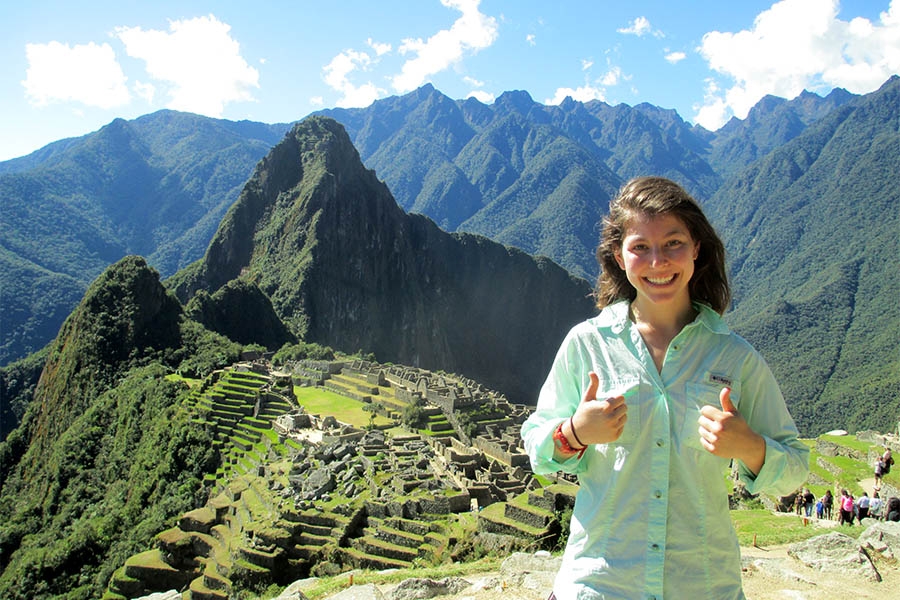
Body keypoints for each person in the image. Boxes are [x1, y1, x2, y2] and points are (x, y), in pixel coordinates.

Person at [521, 177, 809, 600]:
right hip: (600, 583)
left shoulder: (735, 358)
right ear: (619, 257)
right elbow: (536, 448)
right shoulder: (588, 345)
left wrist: (749, 447)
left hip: (701, 585)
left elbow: (796, 467)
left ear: (697, 249)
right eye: (640, 247)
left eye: (673, 243)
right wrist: (574, 433)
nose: (658, 262)